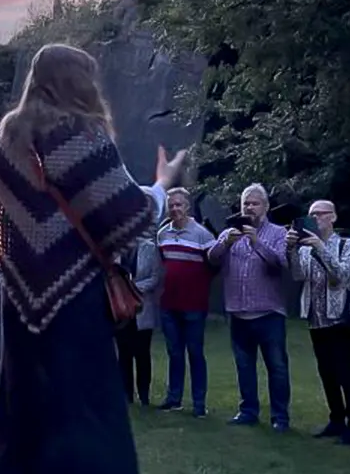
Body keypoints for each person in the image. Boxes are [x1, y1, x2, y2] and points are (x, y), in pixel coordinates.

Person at [0, 43, 184, 474]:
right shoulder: (85, 136)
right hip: (77, 309)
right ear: (77, 82)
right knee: (75, 430)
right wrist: (161, 182)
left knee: (33, 426)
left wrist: (19, 261)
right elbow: (128, 215)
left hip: (22, 309)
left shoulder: (7, 137)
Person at [209, 183, 291, 431]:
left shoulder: (278, 233)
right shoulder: (229, 232)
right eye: (246, 203)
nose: (250, 208)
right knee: (244, 366)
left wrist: (257, 242)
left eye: (255, 203)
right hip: (238, 311)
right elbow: (212, 259)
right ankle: (248, 411)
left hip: (268, 312)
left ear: (265, 207)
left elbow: (280, 263)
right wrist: (225, 244)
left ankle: (280, 417)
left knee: (276, 367)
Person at [286, 200, 350, 444]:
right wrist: (290, 250)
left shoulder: (346, 244)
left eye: (320, 214)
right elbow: (299, 276)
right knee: (326, 372)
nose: (316, 218)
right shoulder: (305, 249)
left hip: (338, 317)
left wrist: (320, 246)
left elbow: (342, 276)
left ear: (333, 217)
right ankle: (336, 419)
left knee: (344, 372)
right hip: (315, 318)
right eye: (311, 215)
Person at [155, 188, 215, 416]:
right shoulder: (163, 235)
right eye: (171, 205)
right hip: (169, 304)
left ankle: (199, 404)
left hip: (194, 305)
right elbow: (163, 265)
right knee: (174, 354)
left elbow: (212, 267)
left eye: (179, 205)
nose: (175, 209)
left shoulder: (203, 235)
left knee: (195, 353)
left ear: (187, 207)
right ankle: (174, 399)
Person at [115, 225, 160, 406]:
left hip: (142, 308)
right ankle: (126, 395)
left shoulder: (149, 248)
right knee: (124, 355)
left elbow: (155, 277)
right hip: (121, 310)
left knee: (142, 354)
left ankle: (144, 395)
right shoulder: (114, 250)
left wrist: (132, 289)